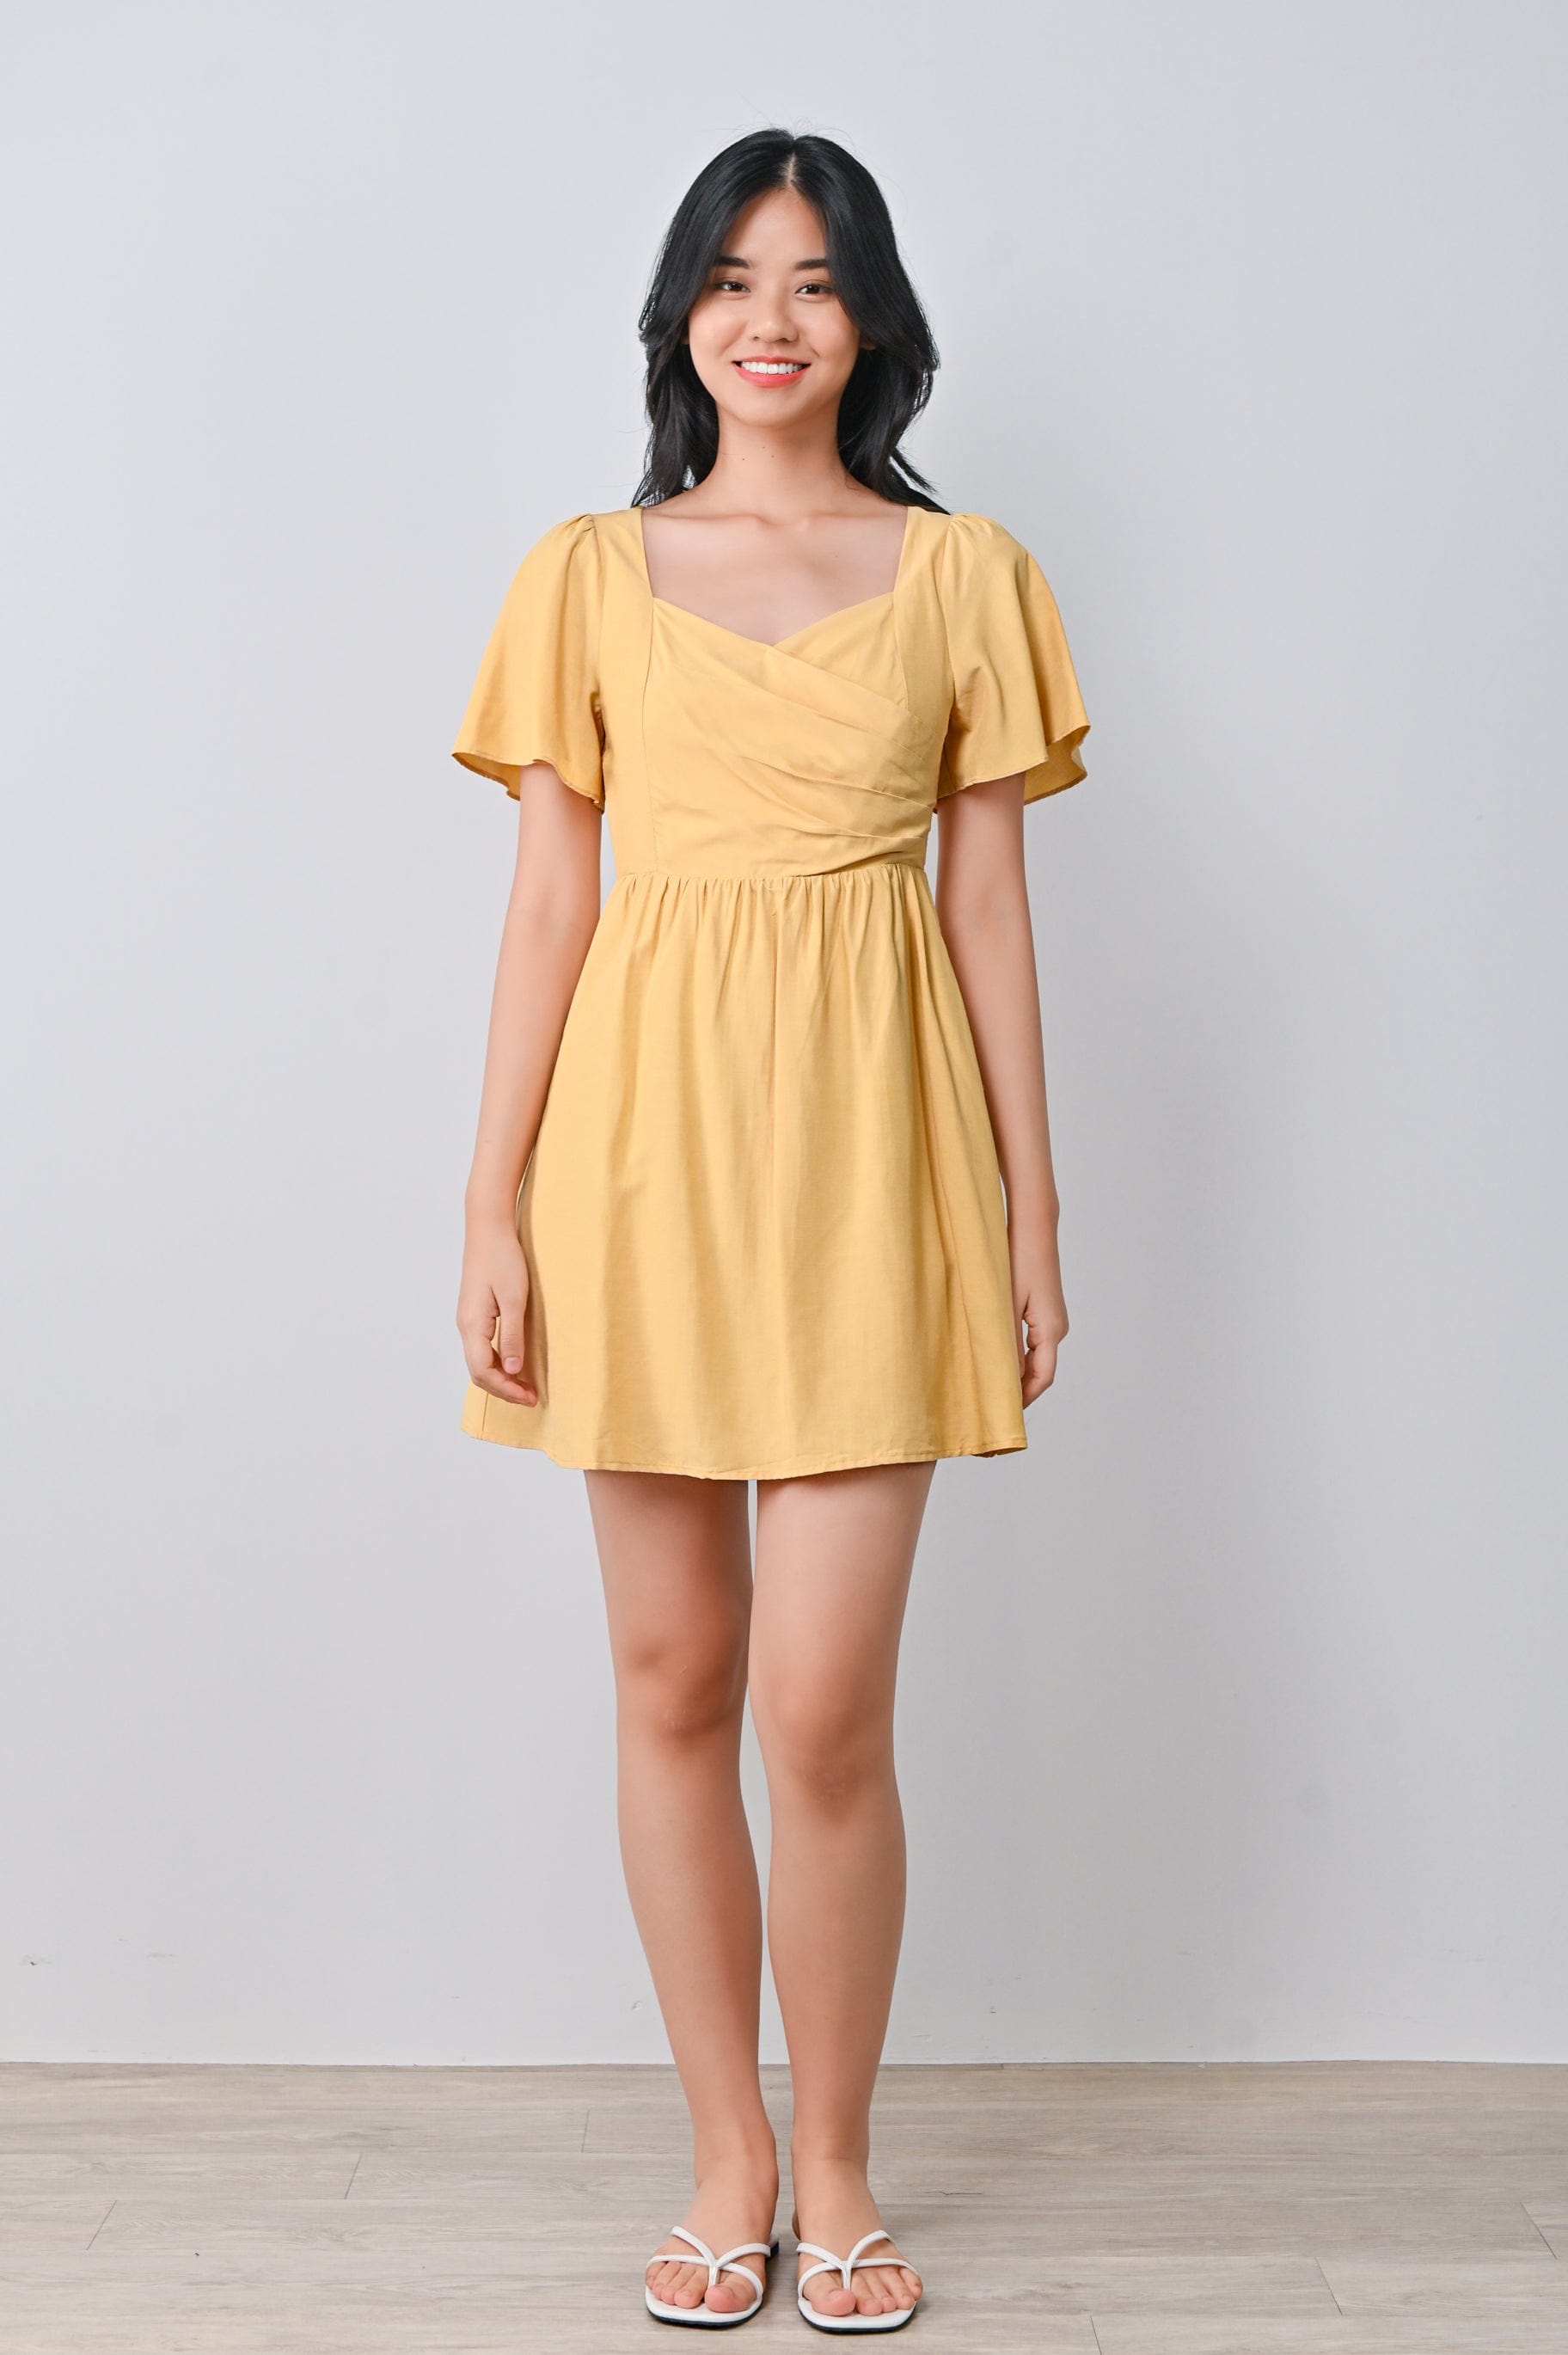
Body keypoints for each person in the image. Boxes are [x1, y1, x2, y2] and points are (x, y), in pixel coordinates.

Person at [451, 127, 1088, 2334]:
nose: (772, 318)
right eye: (733, 278)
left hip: (872, 1154)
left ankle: (841, 2164)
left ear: (872, 315)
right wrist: (489, 1201)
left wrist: (1030, 1200)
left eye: (814, 280)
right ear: (684, 316)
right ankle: (729, 2152)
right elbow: (552, 901)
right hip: (635, 1154)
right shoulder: (586, 570)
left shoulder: (966, 573)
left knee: (821, 1706)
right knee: (674, 1675)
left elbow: (986, 905)